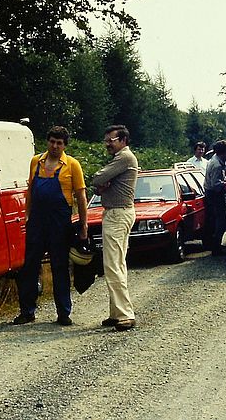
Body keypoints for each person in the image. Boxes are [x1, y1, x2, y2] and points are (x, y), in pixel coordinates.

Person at [13, 126, 88, 326]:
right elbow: (30, 190)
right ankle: (27, 311)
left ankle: (64, 312)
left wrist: (83, 224)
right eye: (52, 141)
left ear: (64, 145)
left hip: (60, 222)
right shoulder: (36, 162)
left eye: (59, 143)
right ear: (47, 142)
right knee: (29, 266)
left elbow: (81, 197)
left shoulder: (72, 165)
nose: (55, 146)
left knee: (59, 266)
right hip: (36, 221)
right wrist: (27, 215)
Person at [92, 125, 138, 331]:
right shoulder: (122, 160)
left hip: (118, 214)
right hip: (117, 213)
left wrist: (104, 184)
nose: (107, 144)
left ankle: (125, 315)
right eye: (106, 140)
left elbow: (97, 179)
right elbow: (100, 185)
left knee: (112, 265)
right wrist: (103, 185)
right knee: (117, 264)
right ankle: (116, 312)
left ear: (123, 140)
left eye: (111, 140)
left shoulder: (124, 158)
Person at [203, 139, 226, 256]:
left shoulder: (216, 159)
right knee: (220, 220)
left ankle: (216, 245)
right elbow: (216, 185)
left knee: (218, 219)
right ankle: (216, 248)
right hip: (214, 194)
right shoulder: (217, 165)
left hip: (211, 192)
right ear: (223, 152)